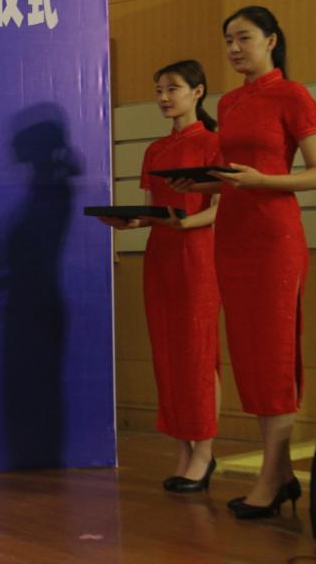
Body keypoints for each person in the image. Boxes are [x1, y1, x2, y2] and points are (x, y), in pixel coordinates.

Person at [173, 6, 316, 519]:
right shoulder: (230, 101)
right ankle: (279, 475)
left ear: (271, 41)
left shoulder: (293, 95)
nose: (234, 48)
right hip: (233, 237)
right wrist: (202, 183)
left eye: (243, 38)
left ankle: (273, 473)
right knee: (249, 355)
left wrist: (262, 181)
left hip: (274, 238)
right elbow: (235, 177)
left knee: (274, 354)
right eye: (228, 40)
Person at [97, 60, 222, 492]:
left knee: (198, 350)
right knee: (168, 352)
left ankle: (205, 450)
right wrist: (129, 222)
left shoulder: (214, 143)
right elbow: (153, 209)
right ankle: (184, 447)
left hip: (199, 253)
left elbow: (224, 206)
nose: (164, 98)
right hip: (161, 253)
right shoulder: (155, 150)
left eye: (173, 89)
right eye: (159, 90)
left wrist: (187, 223)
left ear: (198, 92)